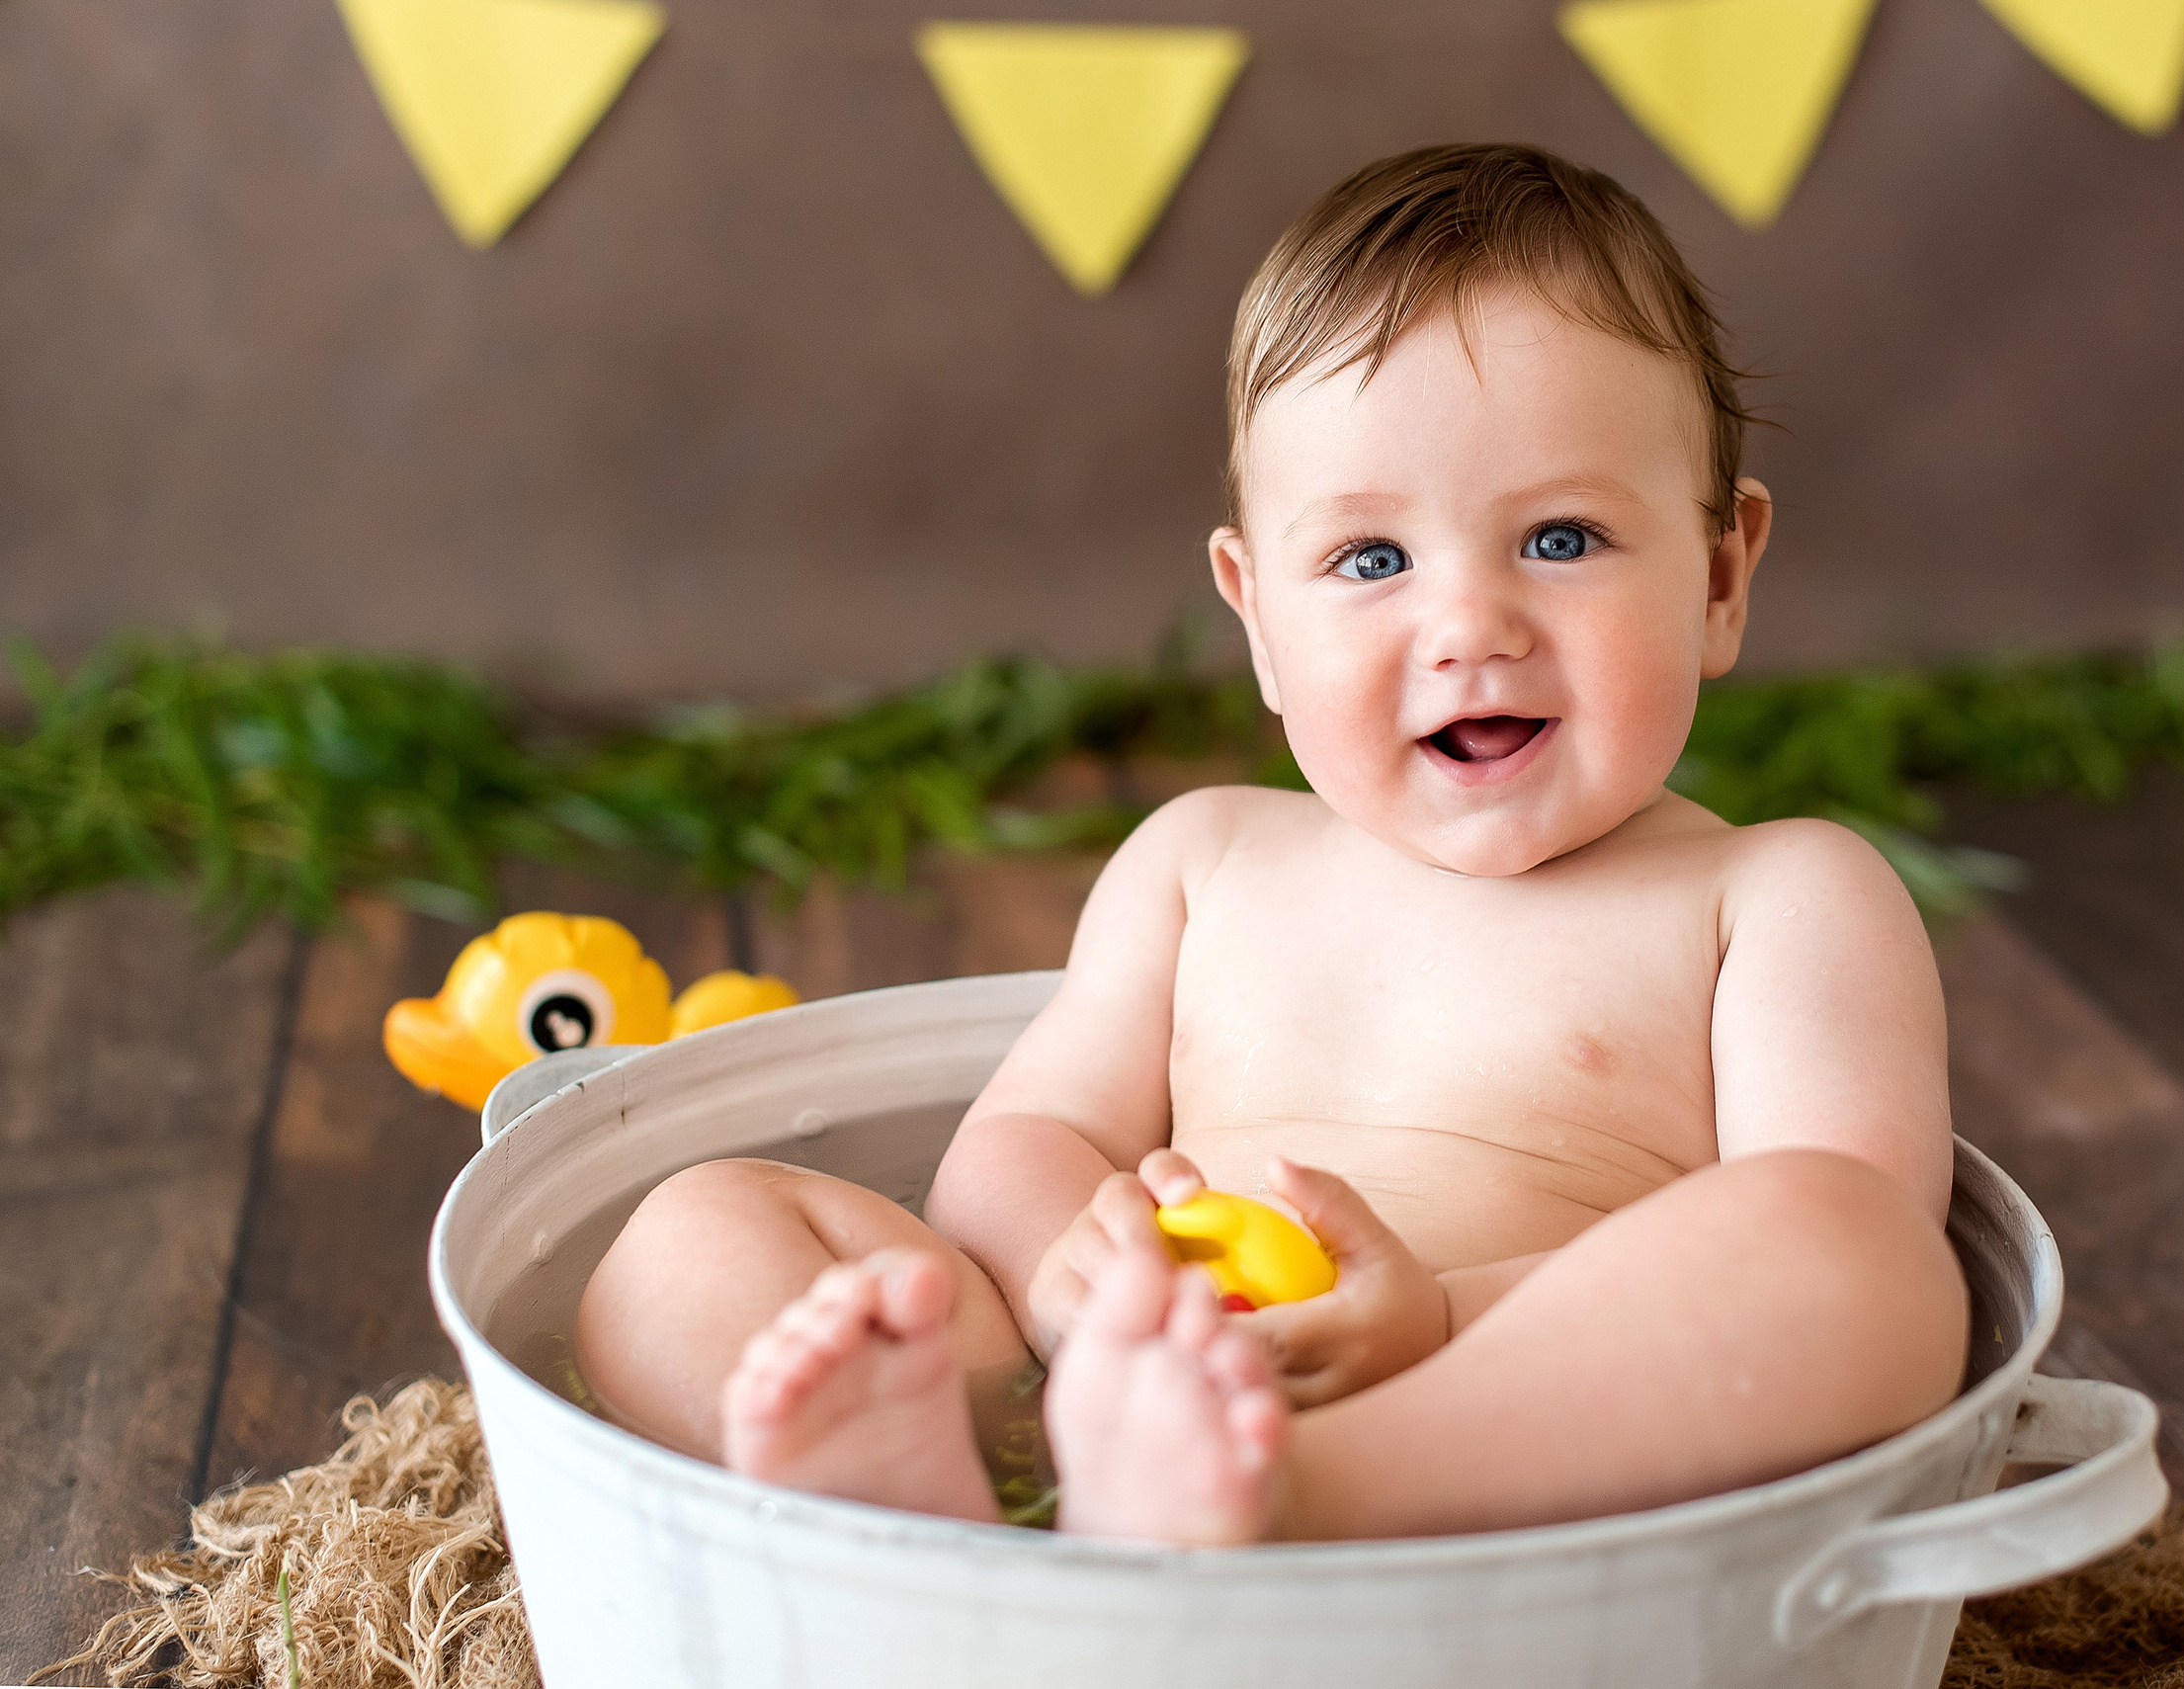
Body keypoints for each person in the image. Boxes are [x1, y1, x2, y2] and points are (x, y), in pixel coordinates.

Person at [575, 142, 1968, 1546]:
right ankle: (930, 1511)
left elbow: (1841, 1240)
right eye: (1372, 561)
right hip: (1103, 1411)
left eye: (1560, 537)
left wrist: (1436, 1319)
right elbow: (1027, 1137)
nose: (1470, 624)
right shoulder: (1205, 860)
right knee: (693, 1227)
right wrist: (1076, 1275)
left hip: (1505, 1461)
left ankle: (1285, 1499)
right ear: (1254, 616)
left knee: (1859, 1255)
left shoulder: (1780, 896)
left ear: (1720, 576)